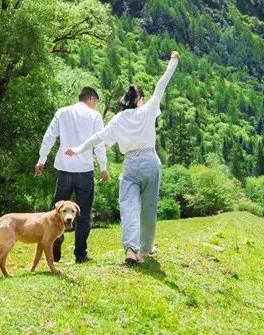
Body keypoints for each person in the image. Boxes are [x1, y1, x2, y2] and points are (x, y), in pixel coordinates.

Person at [66, 51, 179, 264]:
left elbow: (99, 138)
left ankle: (130, 248)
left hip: (131, 164)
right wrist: (173, 61)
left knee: (128, 206)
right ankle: (145, 249)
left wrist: (78, 149)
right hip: (150, 163)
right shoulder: (147, 110)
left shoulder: (118, 119)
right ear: (139, 100)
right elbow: (161, 85)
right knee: (148, 208)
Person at [36, 87, 109, 263]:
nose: (96, 107)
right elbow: (99, 143)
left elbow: (49, 137)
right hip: (85, 171)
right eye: (96, 103)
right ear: (91, 99)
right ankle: (81, 254)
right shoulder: (95, 116)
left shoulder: (62, 112)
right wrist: (103, 167)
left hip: (64, 170)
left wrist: (42, 160)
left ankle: (55, 250)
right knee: (83, 214)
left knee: (57, 212)